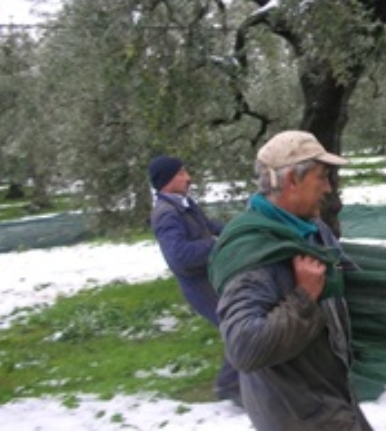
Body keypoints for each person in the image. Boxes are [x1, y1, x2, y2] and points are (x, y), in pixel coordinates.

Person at [208, 130, 373, 431]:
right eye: (321, 176)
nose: (327, 187)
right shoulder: (254, 249)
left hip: (328, 396)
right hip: (297, 414)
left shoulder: (308, 229)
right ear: (292, 181)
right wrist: (303, 297)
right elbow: (244, 347)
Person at [147, 155, 241, 405]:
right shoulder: (166, 214)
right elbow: (179, 256)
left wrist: (240, 229)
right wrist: (214, 245)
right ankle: (230, 384)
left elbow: (208, 225)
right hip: (199, 287)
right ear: (167, 180)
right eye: (181, 173)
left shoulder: (183, 204)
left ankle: (234, 382)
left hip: (211, 280)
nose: (188, 178)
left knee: (238, 324)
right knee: (237, 327)